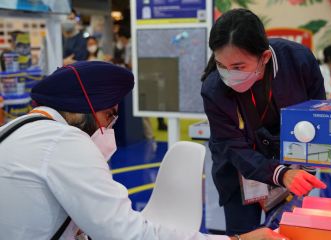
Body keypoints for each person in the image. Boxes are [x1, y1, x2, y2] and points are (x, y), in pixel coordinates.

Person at [0, 61, 288, 240]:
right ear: (84, 111)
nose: (109, 128)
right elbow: (124, 233)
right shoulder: (66, 142)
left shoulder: (16, 130)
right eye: (108, 116)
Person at [201, 9, 327, 235]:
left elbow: (316, 116)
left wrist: (306, 167)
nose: (229, 75)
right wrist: (280, 174)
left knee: (290, 230)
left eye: (239, 67)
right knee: (244, 235)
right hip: (239, 173)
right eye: (221, 65)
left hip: (291, 161)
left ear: (265, 57)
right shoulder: (213, 89)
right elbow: (231, 145)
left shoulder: (298, 62)